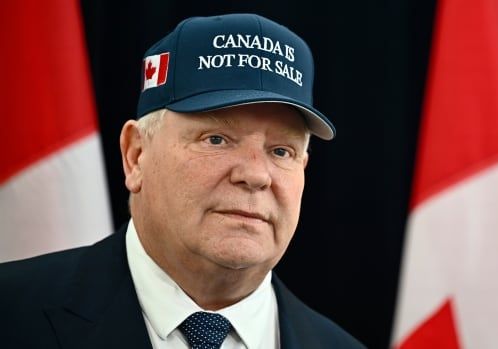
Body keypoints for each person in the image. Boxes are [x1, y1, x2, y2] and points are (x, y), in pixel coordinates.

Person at [0, 14, 365, 348]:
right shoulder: (12, 316)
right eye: (216, 139)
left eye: (281, 151)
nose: (255, 175)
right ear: (136, 155)